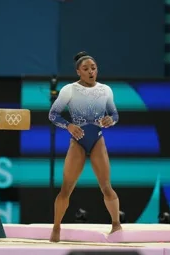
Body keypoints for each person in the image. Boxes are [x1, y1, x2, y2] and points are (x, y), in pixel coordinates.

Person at [48, 51, 122, 242]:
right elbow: (53, 114)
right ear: (78, 72)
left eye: (94, 68)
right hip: (78, 142)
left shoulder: (106, 90)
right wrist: (69, 125)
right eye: (86, 69)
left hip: (97, 139)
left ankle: (116, 225)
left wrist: (110, 120)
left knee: (106, 187)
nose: (91, 72)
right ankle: (56, 228)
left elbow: (115, 115)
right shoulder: (69, 90)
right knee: (66, 189)